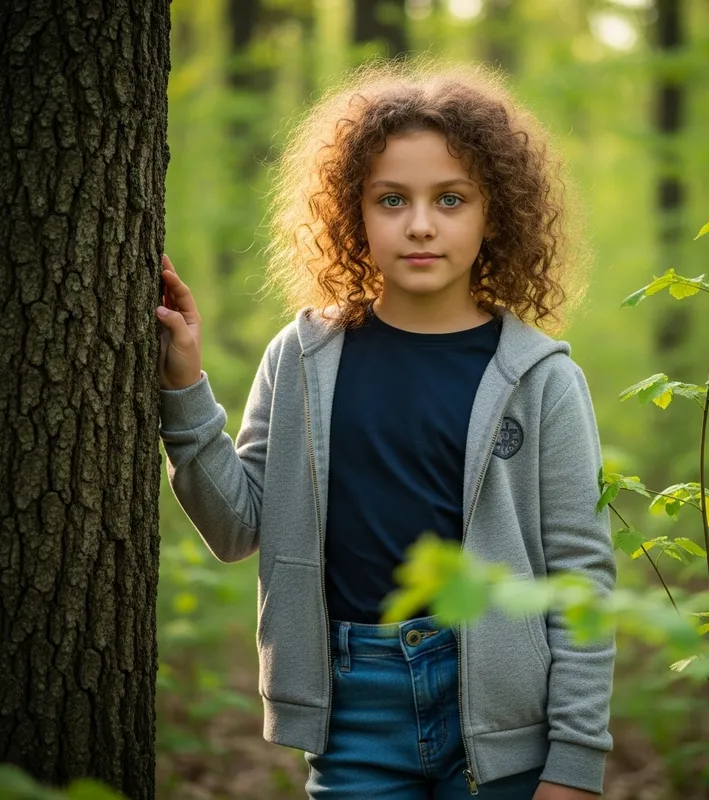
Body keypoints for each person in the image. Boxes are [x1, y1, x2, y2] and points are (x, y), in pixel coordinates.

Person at [156, 59, 616, 799]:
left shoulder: (542, 379)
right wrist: (183, 389)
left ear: (493, 214)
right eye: (392, 199)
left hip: (505, 714)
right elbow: (236, 525)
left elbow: (581, 581)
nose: (422, 224)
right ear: (353, 214)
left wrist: (575, 763)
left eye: (452, 199)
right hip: (354, 709)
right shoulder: (303, 358)